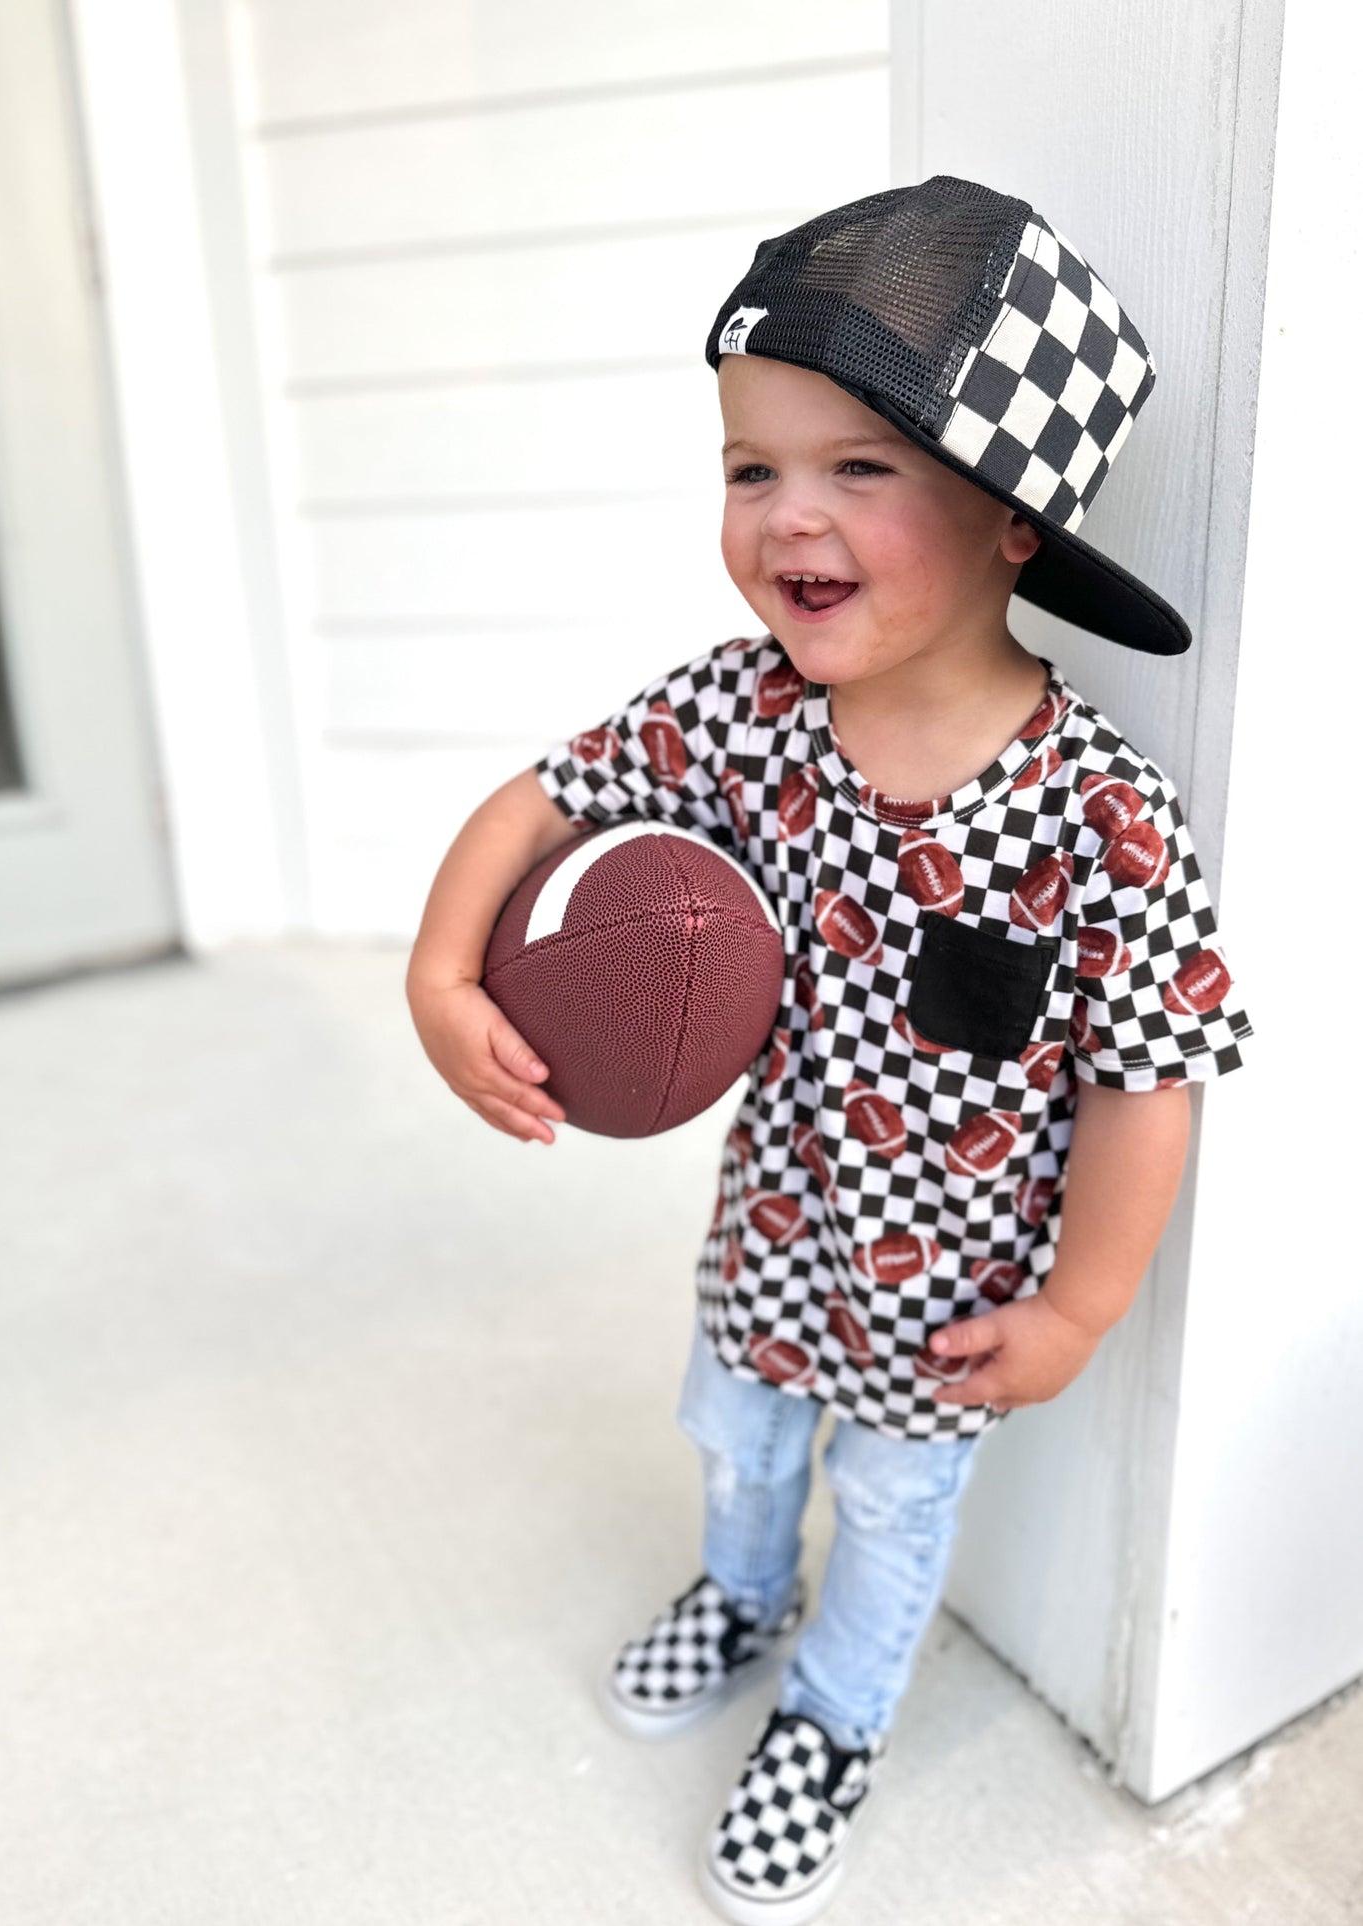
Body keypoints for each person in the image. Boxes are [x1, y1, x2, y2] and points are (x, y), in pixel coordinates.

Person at [405, 175, 1254, 1924]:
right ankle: (733, 1593)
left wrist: (1080, 1307)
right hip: (770, 1229)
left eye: (859, 466)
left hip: (947, 1295)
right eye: (749, 467)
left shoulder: (1100, 817)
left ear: (1012, 519)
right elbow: (545, 794)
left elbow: (1144, 1077)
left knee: (885, 1511)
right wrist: (441, 968)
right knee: (735, 1437)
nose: (787, 513)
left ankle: (831, 1718)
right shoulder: (742, 712)